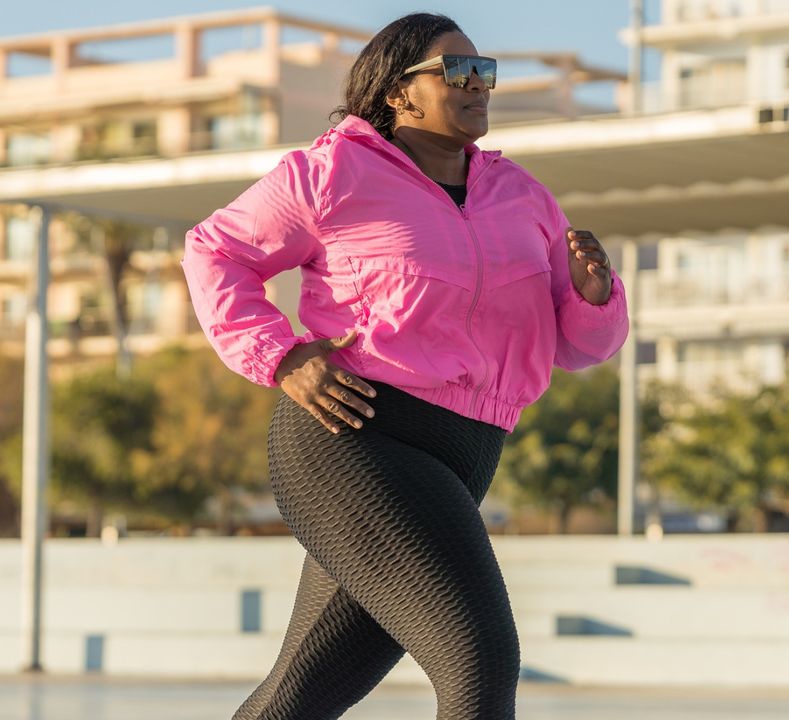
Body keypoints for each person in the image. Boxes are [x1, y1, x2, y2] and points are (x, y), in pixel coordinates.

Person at [181, 13, 628, 720]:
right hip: (355, 435)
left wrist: (596, 296)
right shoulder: (331, 173)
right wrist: (283, 355)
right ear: (398, 92)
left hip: (465, 454)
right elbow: (214, 251)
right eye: (458, 72)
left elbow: (580, 346)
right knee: (480, 662)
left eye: (486, 72)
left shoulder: (525, 198)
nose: (479, 85)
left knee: (297, 699)